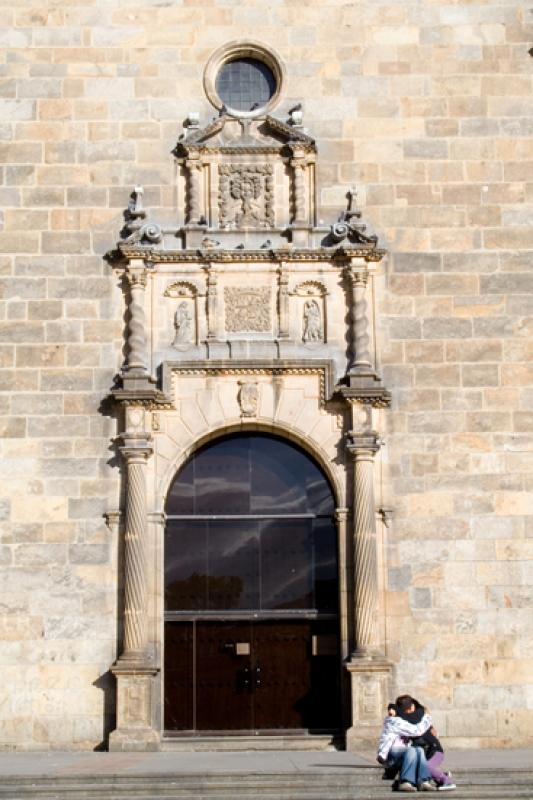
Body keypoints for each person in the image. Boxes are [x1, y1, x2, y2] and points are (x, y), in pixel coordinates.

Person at [393, 696, 456, 792]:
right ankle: (441, 775)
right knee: (421, 767)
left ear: (412, 707)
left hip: (435, 751)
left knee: (428, 767)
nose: (407, 713)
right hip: (425, 752)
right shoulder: (414, 716)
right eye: (404, 711)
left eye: (407, 710)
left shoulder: (418, 716)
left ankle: (447, 781)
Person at [377, 695, 436, 792]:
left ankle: (424, 782)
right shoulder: (394, 721)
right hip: (391, 758)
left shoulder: (404, 719)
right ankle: (406, 782)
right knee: (412, 750)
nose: (411, 711)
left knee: (419, 749)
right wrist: (427, 717)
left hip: (403, 756)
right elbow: (417, 731)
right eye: (409, 709)